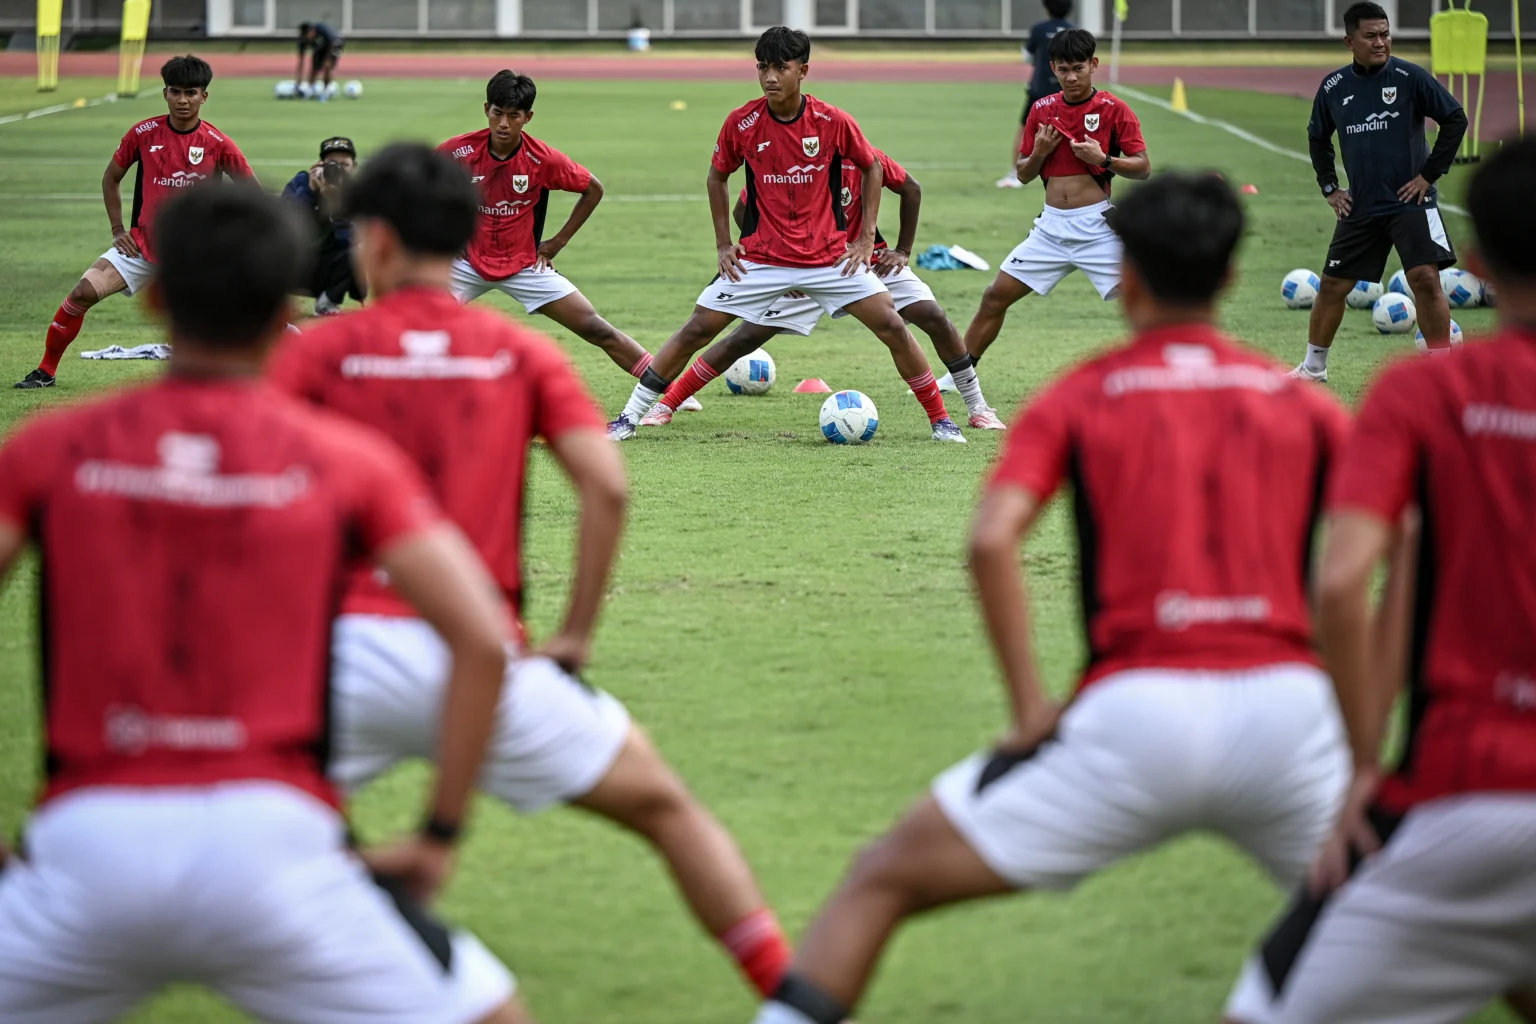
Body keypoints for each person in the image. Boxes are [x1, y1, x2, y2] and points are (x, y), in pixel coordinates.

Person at [749, 172, 1354, 1024]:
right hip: (1294, 725)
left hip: (1135, 713)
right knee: (1451, 924)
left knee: (879, 880)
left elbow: (992, 540)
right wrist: (1362, 746)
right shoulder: (1300, 402)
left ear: (1128, 277)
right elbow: (1356, 570)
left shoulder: (1085, 391)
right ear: (1227, 279)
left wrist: (1033, 709)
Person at [267, 142, 798, 1003]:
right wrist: (575, 638)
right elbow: (606, 487)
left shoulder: (316, 356)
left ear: (375, 242)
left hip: (346, 660)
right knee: (667, 810)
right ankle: (789, 994)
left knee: (243, 827)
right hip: (492, 661)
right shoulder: (517, 354)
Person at [0, 182, 533, 1024]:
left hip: (85, 845)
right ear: (284, 308)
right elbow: (480, 639)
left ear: (156, 297)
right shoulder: (348, 462)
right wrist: (437, 835)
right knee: (492, 1011)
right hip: (278, 844)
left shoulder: (47, 451)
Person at [1224, 138, 1536, 1024]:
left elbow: (1343, 581)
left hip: (1459, 794)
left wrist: (1363, 766)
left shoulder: (1424, 396)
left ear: (1471, 265)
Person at [606, 26, 965, 443]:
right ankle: (629, 417)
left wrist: (866, 237)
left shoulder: (832, 121)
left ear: (803, 70)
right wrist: (725, 244)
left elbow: (872, 166)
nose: (770, 77)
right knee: (697, 330)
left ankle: (942, 421)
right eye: (762, 67)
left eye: (780, 67)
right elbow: (716, 178)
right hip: (763, 260)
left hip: (829, 260)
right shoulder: (742, 123)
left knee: (892, 325)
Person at [640, 147, 1005, 431]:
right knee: (743, 339)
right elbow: (742, 209)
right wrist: (777, 259)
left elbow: (911, 189)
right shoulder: (788, 165)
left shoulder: (865, 158)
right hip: (803, 266)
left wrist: (903, 251)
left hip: (866, 262)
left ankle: (976, 407)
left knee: (933, 316)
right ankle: (667, 403)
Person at [15, 54, 254, 390]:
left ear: (204, 96)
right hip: (143, 246)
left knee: (234, 314)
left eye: (191, 92)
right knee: (82, 292)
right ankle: (45, 370)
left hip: (196, 254)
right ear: (165, 93)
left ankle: (246, 379)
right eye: (175, 92)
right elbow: (110, 179)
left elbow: (252, 197)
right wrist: (117, 230)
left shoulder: (218, 144)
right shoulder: (143, 133)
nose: (182, 100)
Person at [955, 29, 1150, 389]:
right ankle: (960, 376)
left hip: (1097, 228)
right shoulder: (1042, 109)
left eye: (1078, 68)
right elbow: (1024, 175)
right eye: (1063, 69)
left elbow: (1143, 167)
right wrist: (1040, 152)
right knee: (994, 296)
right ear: (1052, 69)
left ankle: (1169, 372)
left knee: (1147, 302)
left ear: (1094, 65)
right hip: (1050, 230)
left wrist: (1104, 159)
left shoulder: (1113, 109)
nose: (1071, 77)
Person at [1290, 1, 1468, 383]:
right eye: (1370, 35)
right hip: (1362, 204)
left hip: (1412, 202)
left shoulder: (1411, 77)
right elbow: (1317, 137)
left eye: (1385, 34)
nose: (1380, 42)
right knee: (1333, 285)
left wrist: (1428, 175)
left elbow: (1455, 118)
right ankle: (1313, 368)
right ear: (1349, 40)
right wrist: (1330, 188)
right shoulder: (1334, 87)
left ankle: (1440, 372)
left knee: (1425, 279)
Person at [440, 70, 655, 382]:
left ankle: (673, 391)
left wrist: (557, 242)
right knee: (411, 328)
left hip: (525, 266)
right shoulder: (457, 152)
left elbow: (593, 189)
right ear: (486, 109)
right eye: (497, 113)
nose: (503, 124)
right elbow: (419, 188)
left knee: (596, 327)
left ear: (528, 117)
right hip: (466, 264)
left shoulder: (542, 159)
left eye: (513, 116)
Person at [282, 135, 365, 315]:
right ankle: (275, 303)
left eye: (344, 165)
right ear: (319, 165)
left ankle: (327, 303)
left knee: (357, 251)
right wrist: (310, 192)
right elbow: (284, 224)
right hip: (292, 265)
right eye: (332, 164)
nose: (338, 170)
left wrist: (336, 206)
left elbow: (353, 241)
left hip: (327, 272)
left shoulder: (358, 195)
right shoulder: (302, 183)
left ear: (354, 168)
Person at [998, 0, 1074, 189]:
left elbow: (1027, 56)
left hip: (1039, 90)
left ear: (1046, 7)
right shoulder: (1074, 31)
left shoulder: (1039, 29)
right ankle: (1073, 174)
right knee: (1072, 132)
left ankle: (1015, 174)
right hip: (1067, 90)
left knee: (1025, 131)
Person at [296, 21, 343, 98]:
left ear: (312, 31)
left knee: (327, 66)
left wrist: (328, 60)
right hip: (321, 47)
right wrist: (299, 81)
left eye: (308, 35)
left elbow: (332, 44)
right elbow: (301, 61)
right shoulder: (303, 40)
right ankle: (310, 88)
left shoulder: (325, 32)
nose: (307, 38)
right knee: (315, 66)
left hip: (334, 45)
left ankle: (326, 89)